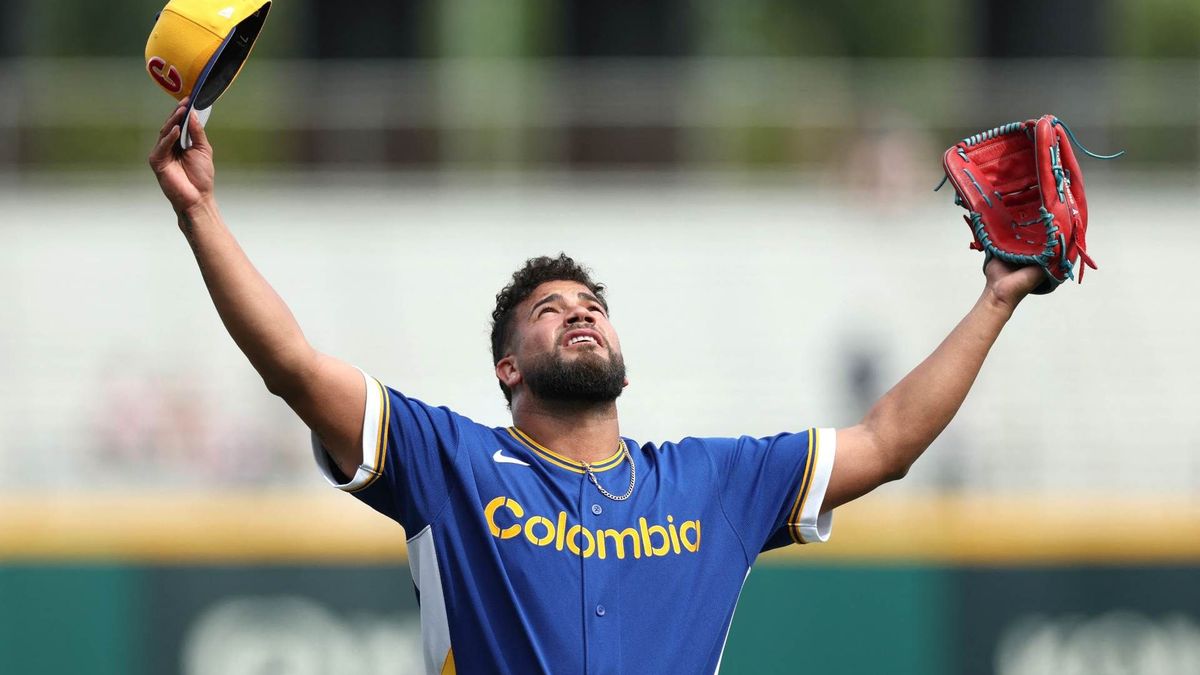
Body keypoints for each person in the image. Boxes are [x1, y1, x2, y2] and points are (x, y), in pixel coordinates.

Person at [149, 102, 1046, 675]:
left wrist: (997, 294)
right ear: (508, 367)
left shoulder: (713, 483)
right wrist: (199, 213)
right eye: (549, 310)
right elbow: (294, 368)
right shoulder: (451, 463)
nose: (579, 315)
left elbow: (886, 441)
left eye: (592, 305)